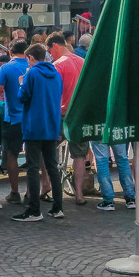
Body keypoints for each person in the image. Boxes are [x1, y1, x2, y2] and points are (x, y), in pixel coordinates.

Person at [13, 44, 64, 221]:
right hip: (51, 125)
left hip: (34, 126)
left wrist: (21, 84)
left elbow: (23, 97)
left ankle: (34, 210)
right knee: (52, 167)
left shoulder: (31, 74)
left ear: (31, 58)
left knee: (33, 168)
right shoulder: (56, 74)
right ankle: (58, 207)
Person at [47, 33, 88, 205]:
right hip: (79, 114)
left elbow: (53, 94)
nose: (50, 54)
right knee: (80, 155)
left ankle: (47, 186)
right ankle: (79, 193)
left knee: (48, 150)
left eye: (50, 50)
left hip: (61, 114)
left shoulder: (57, 65)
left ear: (54, 46)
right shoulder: (82, 61)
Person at [0, 38, 29, 207]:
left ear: (10, 53)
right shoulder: (33, 67)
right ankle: (32, 191)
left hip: (13, 118)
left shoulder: (6, 68)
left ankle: (15, 192)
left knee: (12, 155)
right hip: (31, 118)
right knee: (35, 155)